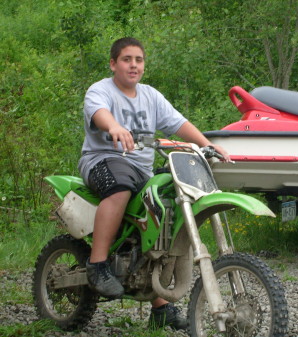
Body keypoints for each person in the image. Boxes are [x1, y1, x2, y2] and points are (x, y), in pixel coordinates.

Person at [78, 37, 229, 330]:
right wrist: (114, 127)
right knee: (120, 187)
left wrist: (208, 145)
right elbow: (99, 114)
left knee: (165, 215)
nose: (133, 65)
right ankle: (97, 265)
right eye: (126, 59)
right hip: (102, 160)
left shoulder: (150, 96)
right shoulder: (100, 90)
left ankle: (160, 306)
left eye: (139, 60)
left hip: (141, 170)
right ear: (113, 64)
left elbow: (177, 123)